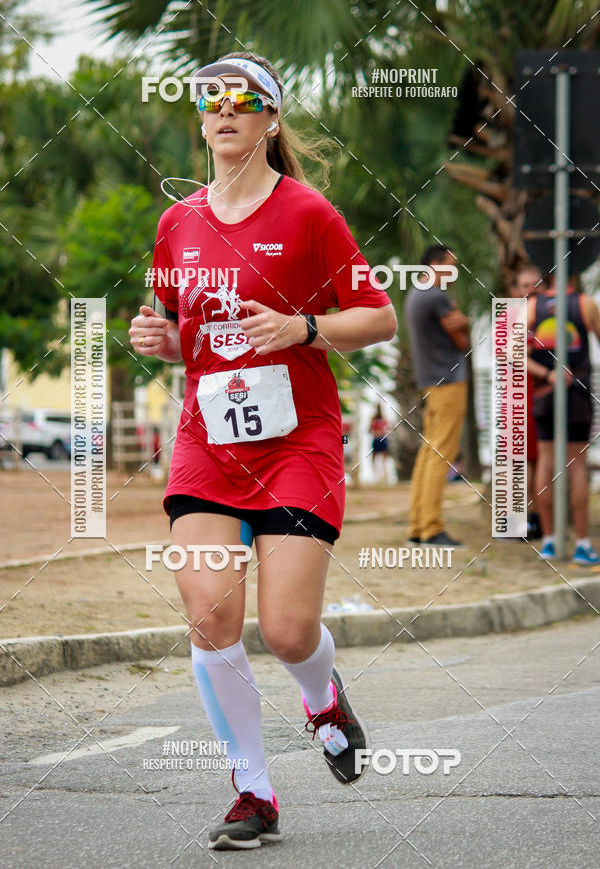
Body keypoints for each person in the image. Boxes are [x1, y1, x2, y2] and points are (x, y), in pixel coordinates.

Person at [128, 52, 397, 850]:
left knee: (284, 630)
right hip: (209, 440)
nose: (224, 109)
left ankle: (322, 699)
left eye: (243, 99)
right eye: (210, 99)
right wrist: (160, 341)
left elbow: (376, 317)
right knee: (211, 614)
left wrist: (302, 328)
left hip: (296, 442)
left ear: (271, 120)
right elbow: (189, 339)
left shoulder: (309, 215)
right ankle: (254, 792)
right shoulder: (178, 222)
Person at [527, 271, 600, 565]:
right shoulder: (585, 304)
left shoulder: (532, 307)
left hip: (546, 391)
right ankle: (582, 544)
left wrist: (547, 374)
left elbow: (510, 352)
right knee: (577, 465)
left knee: (546, 461)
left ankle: (549, 542)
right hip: (578, 392)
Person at [405, 245, 469, 547]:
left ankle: (418, 526)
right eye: (451, 265)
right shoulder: (437, 296)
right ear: (435, 264)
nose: (455, 272)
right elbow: (461, 339)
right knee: (441, 454)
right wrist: (465, 322)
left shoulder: (416, 294)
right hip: (449, 382)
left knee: (429, 453)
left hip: (431, 382)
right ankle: (431, 528)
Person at [509, 265, 543, 540]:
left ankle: (536, 519)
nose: (530, 289)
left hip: (542, 398)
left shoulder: (545, 317)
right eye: (524, 285)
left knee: (540, 462)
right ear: (514, 290)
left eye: (535, 284)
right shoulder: (509, 316)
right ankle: (521, 521)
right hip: (518, 399)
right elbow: (506, 354)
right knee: (521, 463)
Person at [369, 403, 391, 483]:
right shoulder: (384, 419)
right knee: (383, 459)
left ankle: (379, 476)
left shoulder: (374, 419)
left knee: (375, 459)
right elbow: (388, 429)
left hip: (378, 439)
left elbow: (370, 430)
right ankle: (382, 476)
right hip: (382, 439)